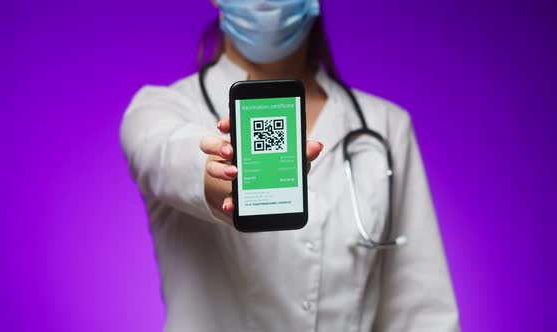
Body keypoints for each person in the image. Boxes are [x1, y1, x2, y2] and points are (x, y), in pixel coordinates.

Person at [120, 0, 460, 331]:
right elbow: (168, 159)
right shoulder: (160, 110)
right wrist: (224, 177)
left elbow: (423, 312)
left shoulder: (384, 126)